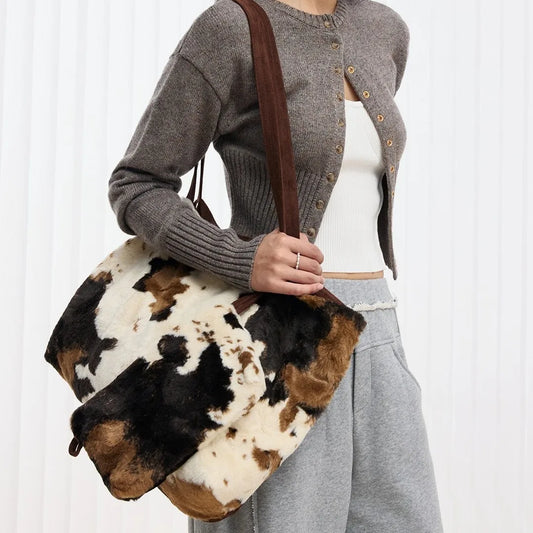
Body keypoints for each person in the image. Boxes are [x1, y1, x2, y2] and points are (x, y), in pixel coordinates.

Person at [108, 0, 444, 531]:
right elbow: (137, 184)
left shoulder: (384, 29)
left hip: (380, 332)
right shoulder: (229, 30)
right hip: (277, 341)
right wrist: (238, 258)